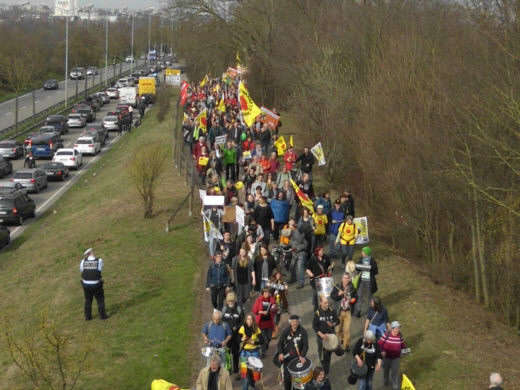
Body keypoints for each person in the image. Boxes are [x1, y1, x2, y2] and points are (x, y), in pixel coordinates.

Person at [277, 314, 309, 390]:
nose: (295, 323)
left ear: (299, 322)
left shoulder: (303, 331)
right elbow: (280, 343)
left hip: (298, 359)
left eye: (296, 321)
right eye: (293, 321)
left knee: (298, 379)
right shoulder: (286, 331)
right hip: (288, 359)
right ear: (290, 322)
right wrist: (281, 353)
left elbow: (306, 345)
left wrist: (303, 356)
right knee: (287, 379)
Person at [312, 296, 339, 375]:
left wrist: (332, 324)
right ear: (321, 303)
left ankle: (325, 371)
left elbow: (338, 321)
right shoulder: (317, 313)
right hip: (321, 338)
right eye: (325, 303)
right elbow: (314, 326)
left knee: (328, 356)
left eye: (328, 302)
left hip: (330, 338)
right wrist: (322, 335)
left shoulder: (332, 311)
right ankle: (323, 367)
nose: (327, 304)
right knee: (322, 356)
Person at [330, 272, 357, 351]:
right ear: (342, 279)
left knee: (347, 330)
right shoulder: (337, 287)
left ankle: (346, 345)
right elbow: (332, 296)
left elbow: (355, 297)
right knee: (338, 330)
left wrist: (353, 300)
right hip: (339, 311)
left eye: (348, 278)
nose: (347, 280)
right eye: (345, 278)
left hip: (348, 312)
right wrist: (338, 294)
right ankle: (342, 339)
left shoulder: (352, 288)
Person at [79, 248, 108, 321]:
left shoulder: (83, 261)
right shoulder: (99, 261)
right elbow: (100, 270)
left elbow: (81, 271)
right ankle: (102, 316)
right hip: (96, 284)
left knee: (88, 300)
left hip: (86, 284)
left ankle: (87, 317)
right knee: (100, 300)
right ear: (91, 253)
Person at [378, 321, 407, 390]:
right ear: (392, 329)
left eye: (399, 328)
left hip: (396, 358)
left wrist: (405, 350)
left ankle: (395, 387)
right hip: (386, 357)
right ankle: (386, 381)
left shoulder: (400, 335)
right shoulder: (386, 334)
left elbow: (403, 344)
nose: (398, 330)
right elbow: (379, 343)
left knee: (395, 372)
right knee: (386, 370)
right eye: (397, 328)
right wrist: (382, 351)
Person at [238, 313, 264, 388]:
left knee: (254, 373)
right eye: (248, 319)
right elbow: (237, 339)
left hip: (254, 353)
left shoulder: (256, 329)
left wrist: (254, 342)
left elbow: (262, 340)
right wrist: (241, 339)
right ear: (246, 320)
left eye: (251, 319)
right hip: (244, 353)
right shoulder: (242, 328)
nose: (249, 321)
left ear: (253, 320)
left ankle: (252, 385)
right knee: (244, 374)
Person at [222, 292, 244, 378]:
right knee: (227, 353)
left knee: (235, 353)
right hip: (227, 336)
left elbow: (242, 321)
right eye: (229, 301)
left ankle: (236, 369)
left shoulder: (238, 309)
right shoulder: (224, 310)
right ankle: (228, 369)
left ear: (234, 300)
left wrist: (237, 327)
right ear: (227, 301)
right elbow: (221, 321)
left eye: (232, 301)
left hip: (236, 336)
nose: (230, 302)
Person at [252, 287, 278, 358]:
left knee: (269, 337)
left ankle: (265, 345)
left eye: (268, 292)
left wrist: (274, 308)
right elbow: (254, 310)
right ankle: (263, 352)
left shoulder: (272, 300)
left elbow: (275, 310)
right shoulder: (259, 300)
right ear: (262, 293)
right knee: (263, 338)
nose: (266, 294)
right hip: (261, 323)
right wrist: (261, 312)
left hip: (269, 322)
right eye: (265, 292)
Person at [306, 246, 333, 310]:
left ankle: (324, 306)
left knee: (323, 294)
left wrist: (330, 269)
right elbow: (307, 269)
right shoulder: (313, 259)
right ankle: (315, 307)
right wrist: (311, 275)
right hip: (315, 280)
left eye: (322, 250)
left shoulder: (326, 258)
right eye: (320, 251)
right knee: (315, 295)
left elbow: (329, 267)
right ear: (317, 252)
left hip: (324, 280)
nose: (322, 252)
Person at [355, 247, 379, 317]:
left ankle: (371, 310)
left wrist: (369, 269)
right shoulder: (360, 259)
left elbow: (376, 271)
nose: (362, 253)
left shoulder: (372, 261)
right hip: (361, 280)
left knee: (369, 296)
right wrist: (359, 267)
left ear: (366, 253)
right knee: (359, 295)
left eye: (363, 252)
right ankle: (358, 310)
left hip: (369, 280)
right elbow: (357, 267)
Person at [267, 269, 289, 338]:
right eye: (277, 274)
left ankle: (275, 327)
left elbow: (286, 289)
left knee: (278, 316)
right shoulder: (270, 281)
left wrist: (285, 289)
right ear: (274, 275)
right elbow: (268, 289)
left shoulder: (283, 281)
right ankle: (273, 331)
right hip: (272, 302)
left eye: (279, 274)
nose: (278, 275)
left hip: (280, 302)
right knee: (274, 316)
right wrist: (281, 287)